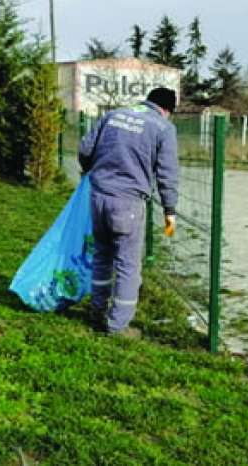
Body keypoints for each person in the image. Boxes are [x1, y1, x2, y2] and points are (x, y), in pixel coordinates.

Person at [78, 87, 179, 338]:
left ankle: (97, 310)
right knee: (127, 264)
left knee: (102, 256)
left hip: (98, 196)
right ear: (167, 110)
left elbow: (85, 149)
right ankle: (118, 326)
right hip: (128, 203)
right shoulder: (163, 128)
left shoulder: (113, 115)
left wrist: (92, 171)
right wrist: (170, 208)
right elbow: (167, 174)